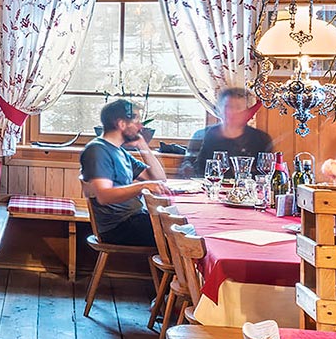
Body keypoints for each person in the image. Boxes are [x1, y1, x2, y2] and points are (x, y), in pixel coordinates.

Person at [80, 99, 169, 246]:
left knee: (181, 226)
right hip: (119, 227)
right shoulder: (97, 150)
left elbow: (159, 178)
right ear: (121, 124)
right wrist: (142, 187)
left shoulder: (120, 151)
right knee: (180, 234)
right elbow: (104, 196)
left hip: (136, 219)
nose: (141, 126)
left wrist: (142, 145)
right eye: (136, 121)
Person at [180, 88, 273, 178]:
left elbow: (267, 173)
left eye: (238, 108)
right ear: (220, 109)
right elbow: (188, 165)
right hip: (208, 189)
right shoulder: (201, 135)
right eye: (229, 107)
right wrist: (187, 168)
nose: (233, 112)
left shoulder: (261, 139)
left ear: (247, 111)